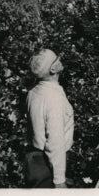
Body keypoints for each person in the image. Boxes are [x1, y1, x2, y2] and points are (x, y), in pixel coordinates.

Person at [25, 48, 74, 188]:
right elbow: (55, 141)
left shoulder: (33, 92)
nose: (60, 59)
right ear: (53, 68)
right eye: (57, 58)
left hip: (33, 159)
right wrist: (59, 180)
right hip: (48, 165)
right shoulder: (54, 98)